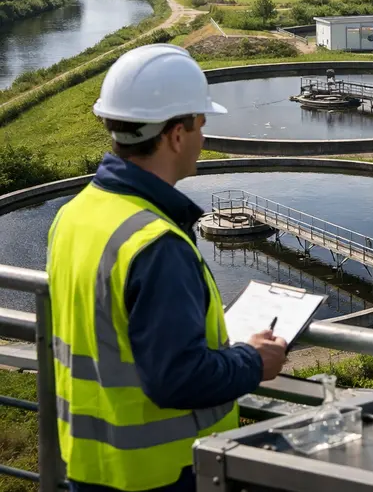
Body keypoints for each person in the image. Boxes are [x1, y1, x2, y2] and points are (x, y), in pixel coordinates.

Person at [46, 45, 288, 492]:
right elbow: (177, 378)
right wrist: (254, 360)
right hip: (162, 476)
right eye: (200, 122)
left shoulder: (75, 215)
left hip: (88, 466)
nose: (204, 133)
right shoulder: (155, 245)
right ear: (176, 134)